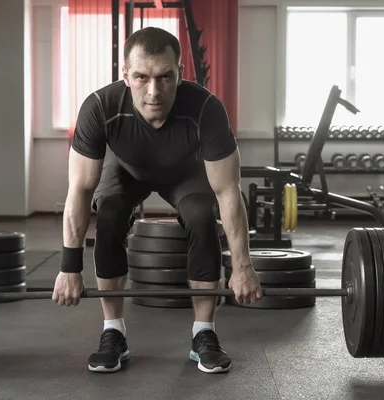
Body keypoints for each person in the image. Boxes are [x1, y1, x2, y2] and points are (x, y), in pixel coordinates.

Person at [52, 26, 262, 374]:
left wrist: (242, 268)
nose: (154, 91)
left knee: (200, 214)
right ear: (126, 75)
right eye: (141, 77)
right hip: (125, 170)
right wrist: (69, 266)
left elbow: (227, 191)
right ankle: (113, 332)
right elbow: (80, 189)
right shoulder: (100, 107)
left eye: (165, 77)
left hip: (183, 172)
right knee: (110, 212)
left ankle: (204, 332)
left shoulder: (206, 108)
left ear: (180, 73)